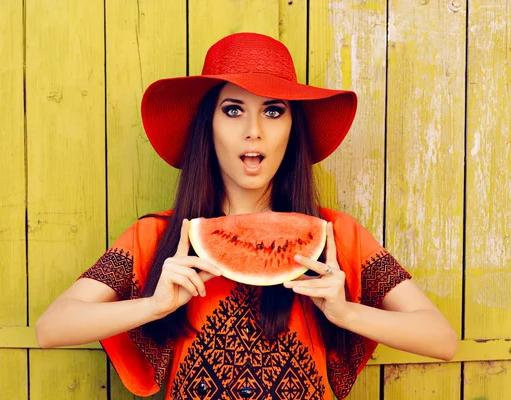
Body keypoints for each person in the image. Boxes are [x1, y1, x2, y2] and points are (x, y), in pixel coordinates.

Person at [35, 32, 457, 399]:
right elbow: (52, 327)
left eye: (273, 111)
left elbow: (440, 338)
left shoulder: (334, 235)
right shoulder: (161, 237)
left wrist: (345, 312)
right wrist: (154, 305)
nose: (253, 129)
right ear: (209, 126)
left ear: (293, 129)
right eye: (233, 109)